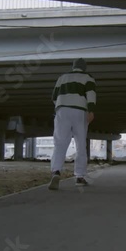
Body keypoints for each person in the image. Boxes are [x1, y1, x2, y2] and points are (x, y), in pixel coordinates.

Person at [49, 58, 96, 190]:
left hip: (62, 110)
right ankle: (80, 177)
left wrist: (62, 107)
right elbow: (91, 95)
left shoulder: (62, 77)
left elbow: (54, 97)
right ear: (84, 67)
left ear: (73, 66)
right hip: (79, 111)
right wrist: (91, 111)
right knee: (81, 144)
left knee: (60, 143)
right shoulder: (88, 78)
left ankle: (56, 172)